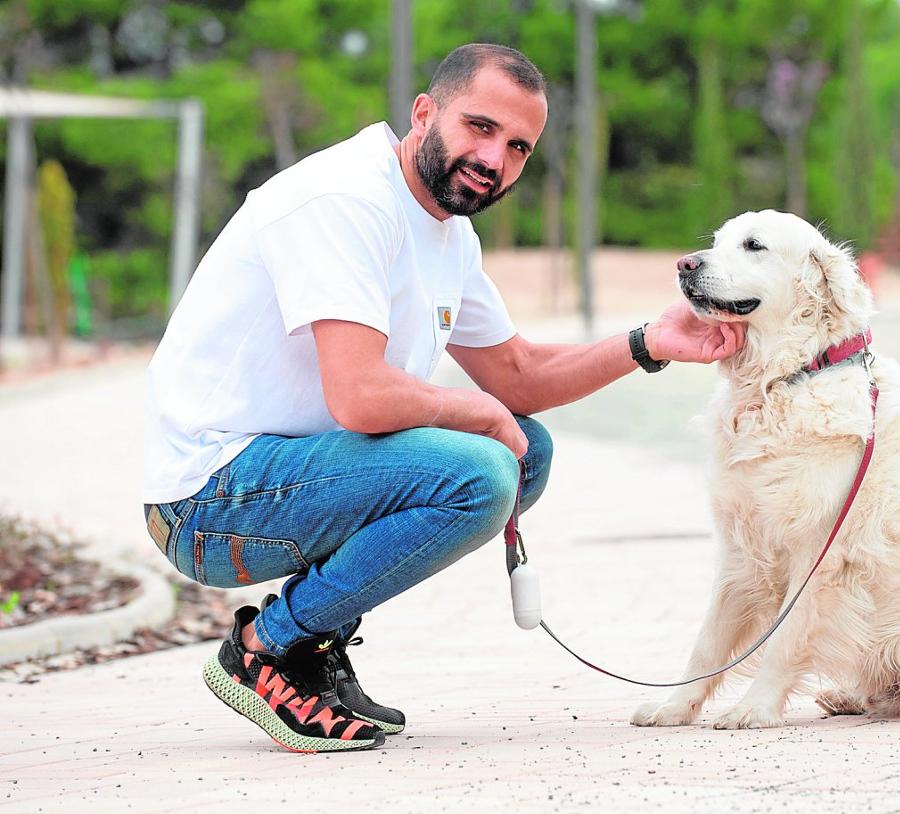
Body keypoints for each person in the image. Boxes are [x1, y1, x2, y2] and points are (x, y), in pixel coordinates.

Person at [141, 43, 744, 753]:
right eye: (480, 128)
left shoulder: (448, 233)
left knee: (526, 453)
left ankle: (311, 647)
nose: (495, 160)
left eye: (518, 147)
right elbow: (361, 397)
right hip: (209, 501)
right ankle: (269, 648)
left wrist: (649, 342)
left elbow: (516, 376)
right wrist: (482, 415)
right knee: (483, 468)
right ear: (424, 112)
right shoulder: (348, 199)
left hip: (288, 476)